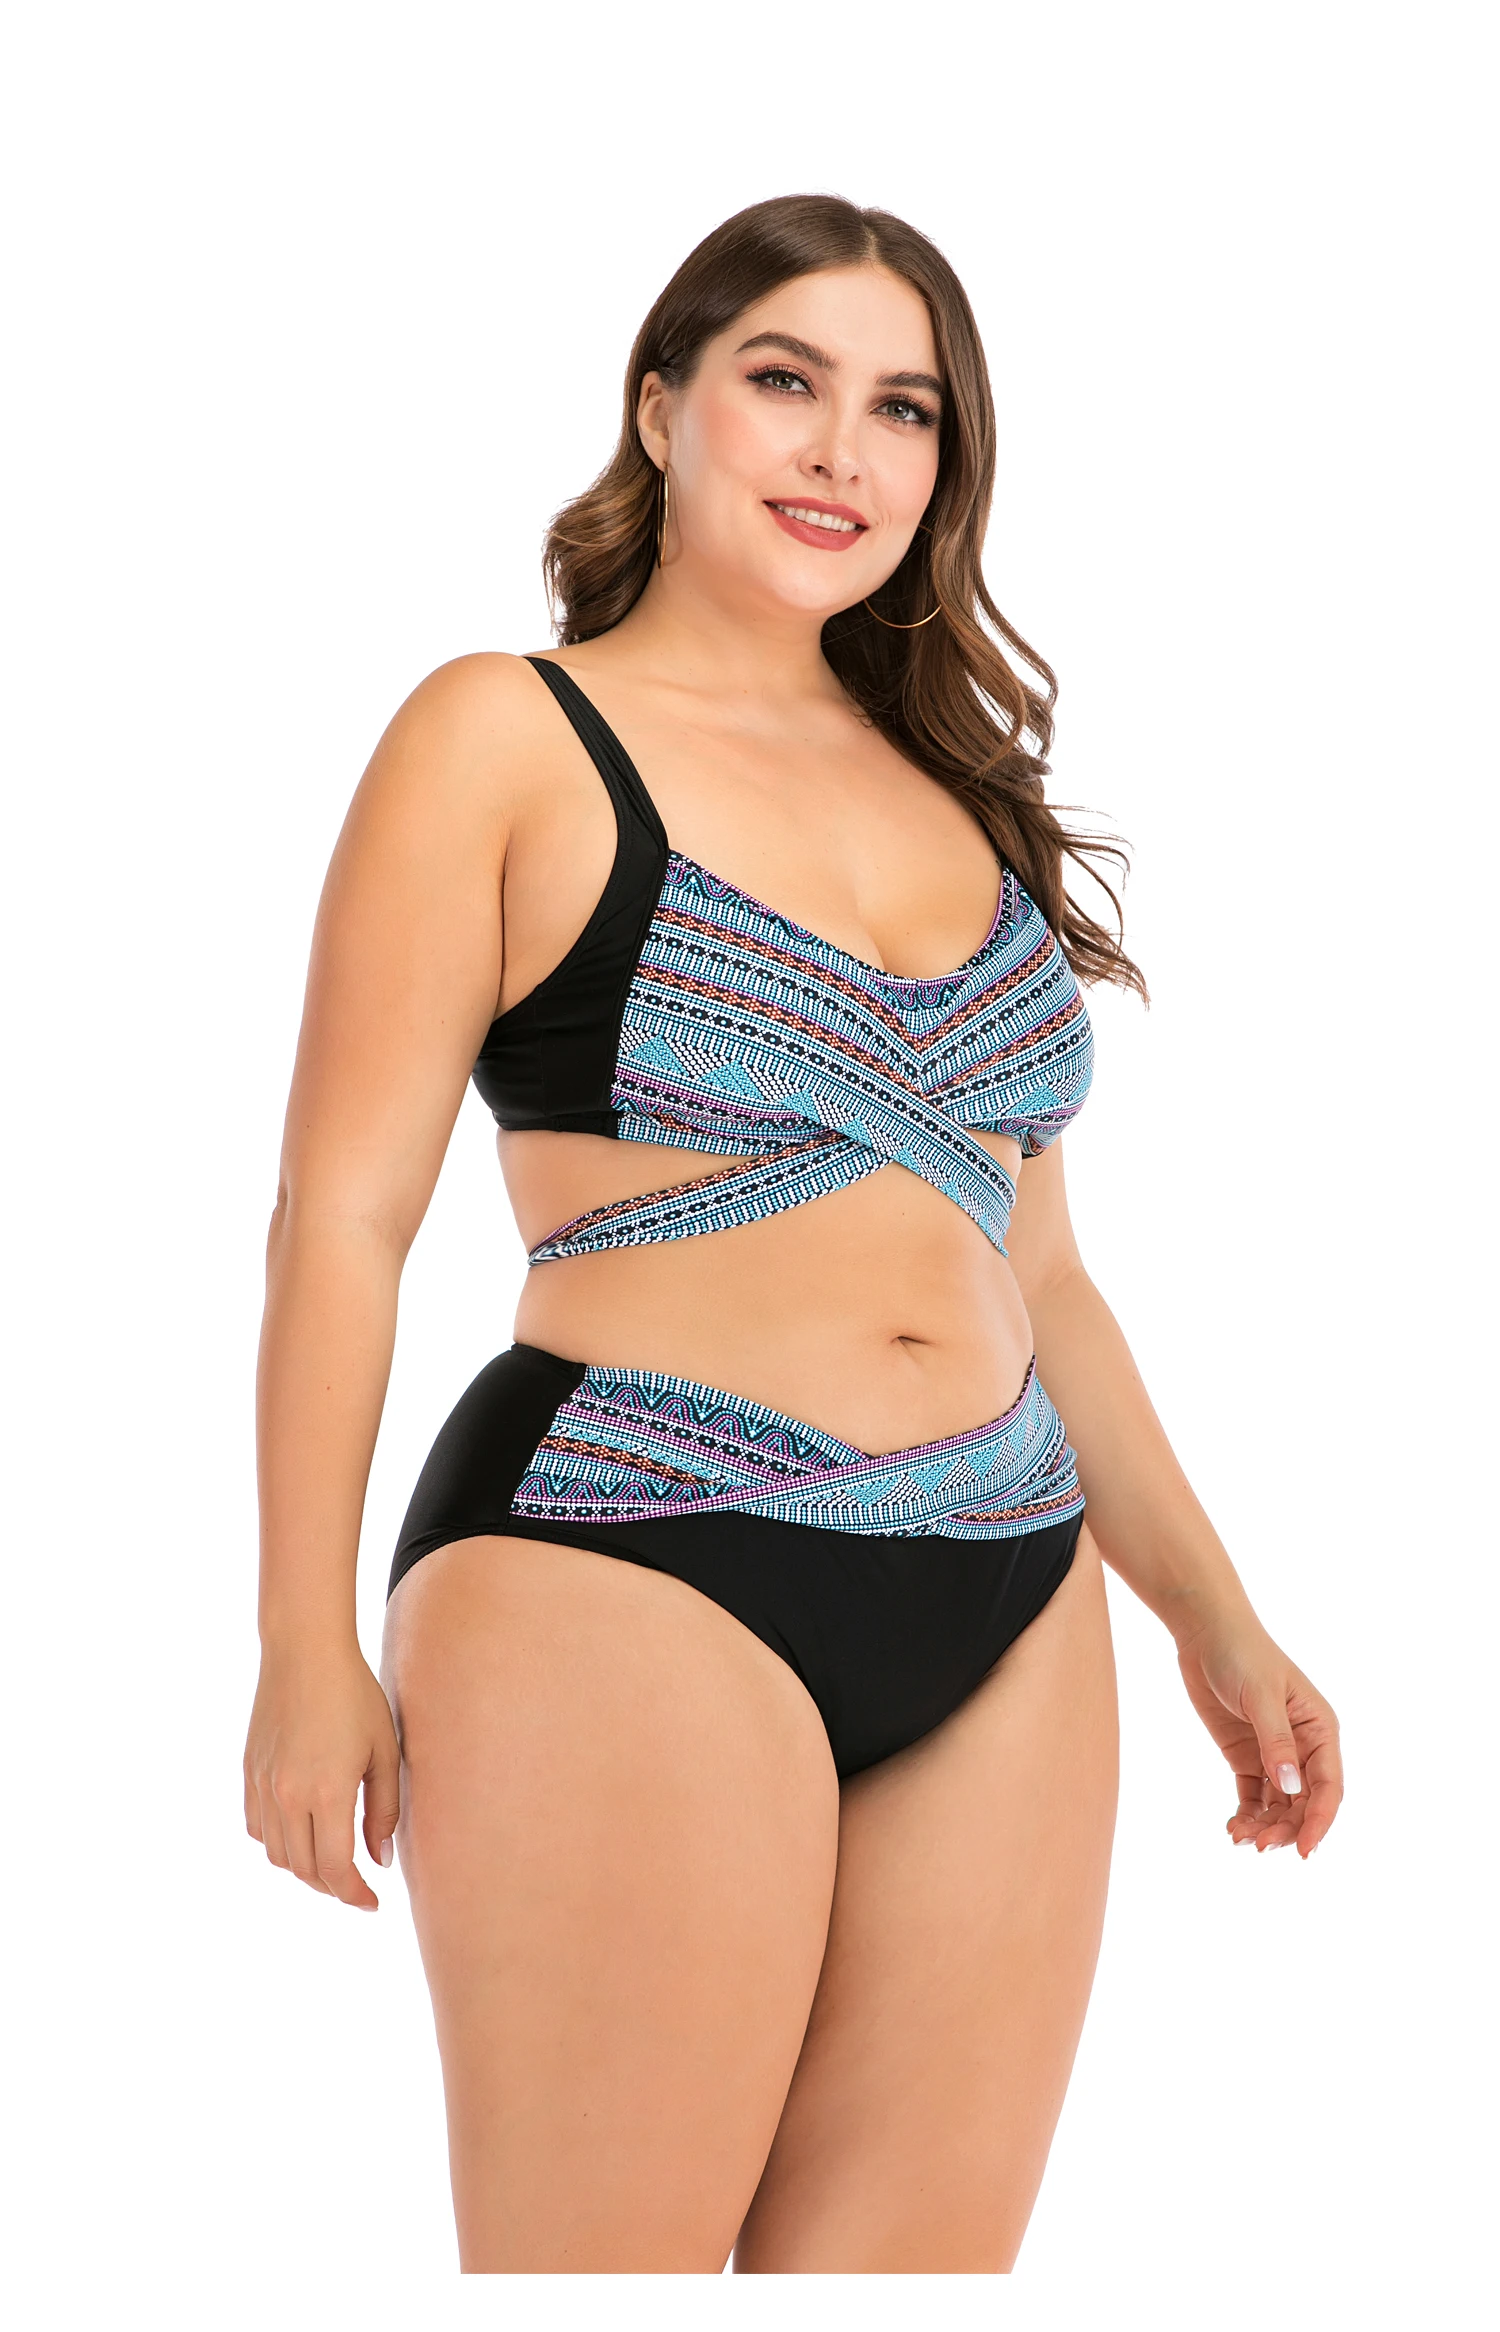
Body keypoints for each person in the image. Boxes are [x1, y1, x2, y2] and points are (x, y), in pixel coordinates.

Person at [243, 194, 1342, 2274]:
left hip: (1010, 1573)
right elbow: (344, 1214)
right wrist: (304, 1639)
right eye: (785, 381)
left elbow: (1042, 1271)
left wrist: (1214, 1611)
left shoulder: (965, 793)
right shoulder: (504, 732)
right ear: (661, 407)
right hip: (632, 1546)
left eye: (905, 409)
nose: (846, 449)